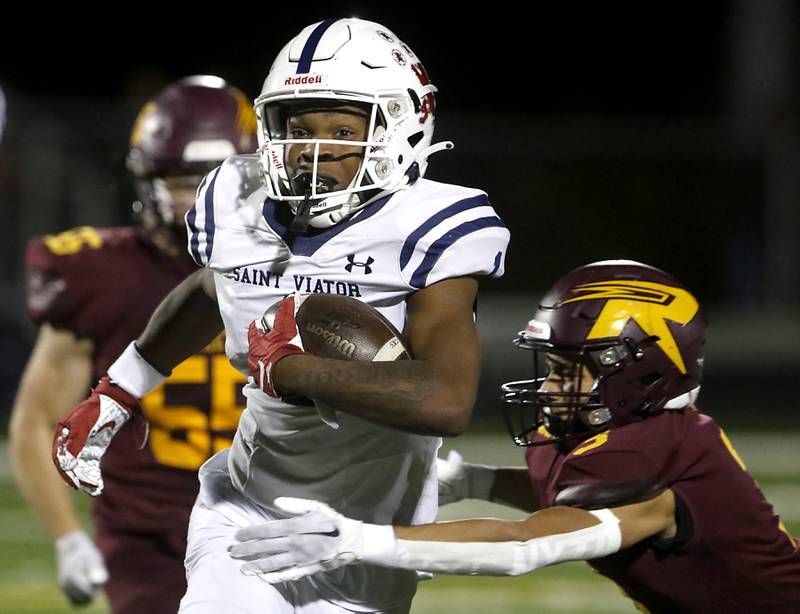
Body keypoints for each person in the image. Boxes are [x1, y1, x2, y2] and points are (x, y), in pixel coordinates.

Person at [51, 18, 510, 614]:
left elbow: (447, 401)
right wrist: (119, 390)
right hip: (246, 503)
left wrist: (292, 369)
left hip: (366, 535)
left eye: (343, 129)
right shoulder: (235, 200)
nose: (314, 150)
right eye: (298, 129)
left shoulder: (430, 225)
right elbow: (213, 289)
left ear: (403, 126)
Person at [237, 260, 800, 613]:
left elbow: (528, 544)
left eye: (569, 368)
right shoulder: (630, 437)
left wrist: (357, 541)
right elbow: (574, 502)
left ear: (638, 373)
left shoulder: (649, 454)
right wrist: (472, 481)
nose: (551, 385)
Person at [11, 75, 257, 612]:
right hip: (152, 541)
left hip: (269, 520)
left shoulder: (300, 265)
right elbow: (37, 419)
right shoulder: (103, 272)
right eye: (180, 180)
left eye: (213, 180)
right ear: (147, 180)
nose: (196, 200)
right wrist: (68, 538)